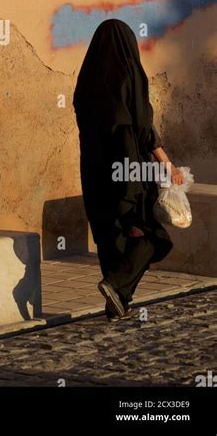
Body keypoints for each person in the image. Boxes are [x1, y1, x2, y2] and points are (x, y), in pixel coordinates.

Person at [73, 19, 183, 321]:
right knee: (152, 236)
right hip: (128, 171)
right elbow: (143, 127)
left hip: (95, 173)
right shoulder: (130, 73)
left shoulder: (87, 80)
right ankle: (116, 284)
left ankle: (117, 303)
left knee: (112, 237)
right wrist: (167, 163)